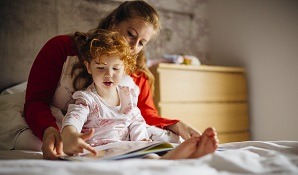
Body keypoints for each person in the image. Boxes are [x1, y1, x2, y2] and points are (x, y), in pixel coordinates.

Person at [23, 0, 202, 160]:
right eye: (131, 34)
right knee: (38, 143)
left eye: (142, 43)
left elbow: (143, 115)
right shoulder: (62, 48)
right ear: (114, 21)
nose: (133, 47)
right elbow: (36, 101)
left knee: (153, 134)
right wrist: (49, 131)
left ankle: (171, 155)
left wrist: (176, 126)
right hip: (61, 125)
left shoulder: (136, 76)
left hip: (112, 132)